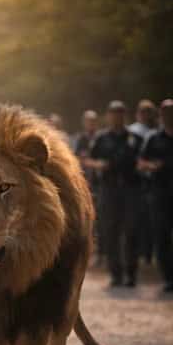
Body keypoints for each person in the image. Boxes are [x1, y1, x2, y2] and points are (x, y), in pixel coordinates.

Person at [88, 101, 143, 288]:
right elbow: (88, 159)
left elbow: (143, 159)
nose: (116, 117)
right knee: (110, 231)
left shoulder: (135, 138)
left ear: (124, 116)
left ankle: (131, 273)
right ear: (108, 116)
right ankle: (115, 274)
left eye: (120, 113)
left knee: (131, 230)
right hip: (109, 189)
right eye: (113, 113)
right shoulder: (102, 138)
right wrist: (99, 165)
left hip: (131, 189)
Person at [139, 99, 173, 292]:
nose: (169, 116)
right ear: (160, 115)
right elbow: (141, 163)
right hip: (160, 194)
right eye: (166, 112)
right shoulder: (153, 138)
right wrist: (153, 166)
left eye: (172, 112)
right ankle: (168, 278)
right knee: (162, 237)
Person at [129, 99, 159, 264]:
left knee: (151, 220)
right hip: (136, 183)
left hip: (154, 184)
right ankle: (142, 253)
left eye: (149, 112)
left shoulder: (157, 132)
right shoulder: (133, 132)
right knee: (138, 220)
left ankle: (149, 253)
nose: (146, 115)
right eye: (143, 112)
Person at [74, 110, 102, 264]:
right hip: (86, 184)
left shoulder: (101, 137)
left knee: (102, 218)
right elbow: (76, 159)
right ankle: (89, 252)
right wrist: (92, 163)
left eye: (93, 121)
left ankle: (101, 253)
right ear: (84, 123)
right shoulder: (81, 139)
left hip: (101, 184)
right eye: (88, 121)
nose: (91, 124)